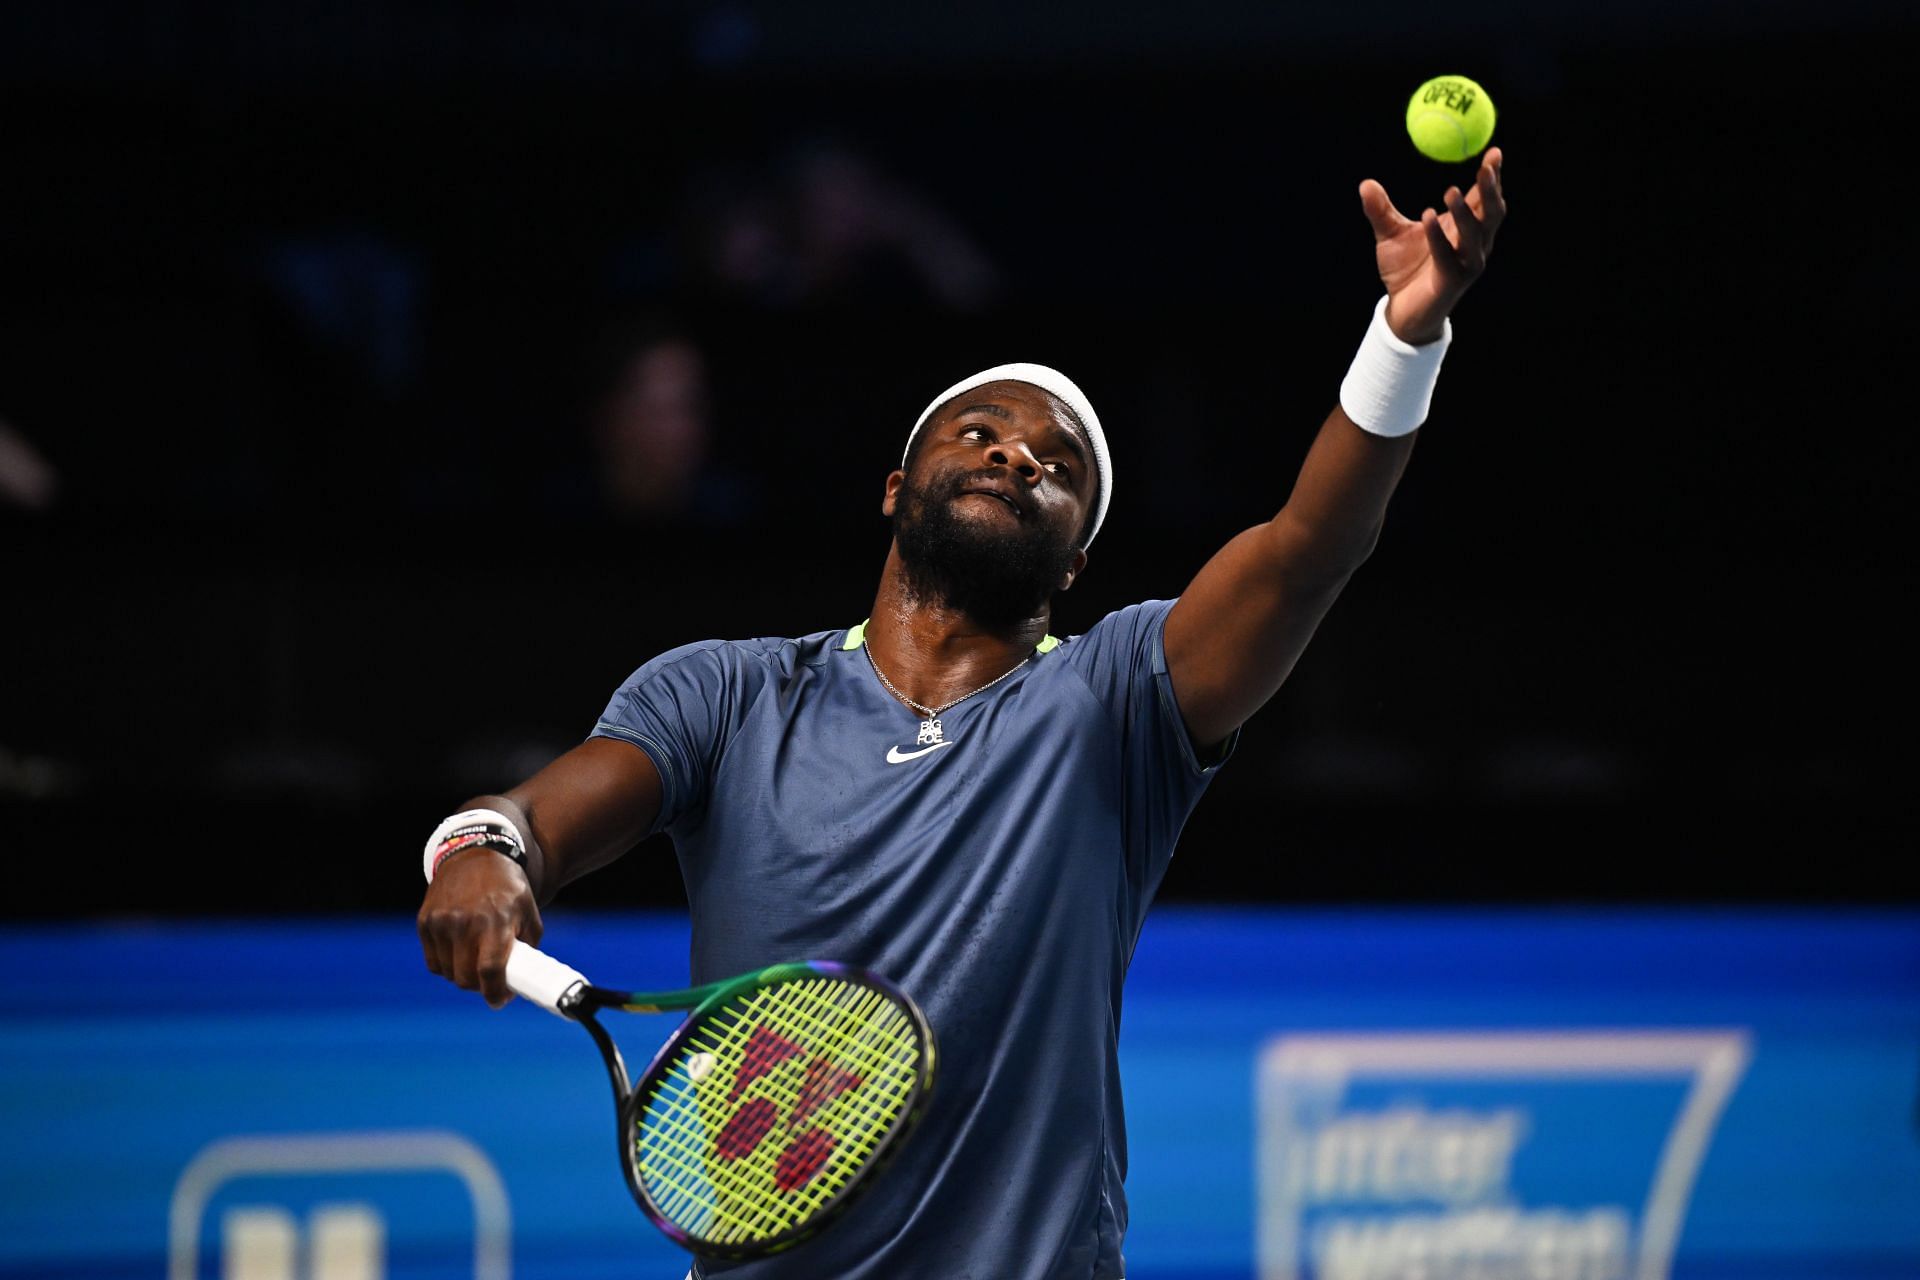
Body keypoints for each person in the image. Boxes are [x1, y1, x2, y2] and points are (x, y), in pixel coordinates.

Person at [418, 151, 1508, 1279]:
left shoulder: (1113, 700)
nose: (1017, 451)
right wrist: (485, 852)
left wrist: (1407, 334)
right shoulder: (729, 692)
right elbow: (536, 819)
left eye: (1059, 460)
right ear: (898, 486)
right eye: (979, 429)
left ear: (1077, 555)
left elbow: (1302, 554)